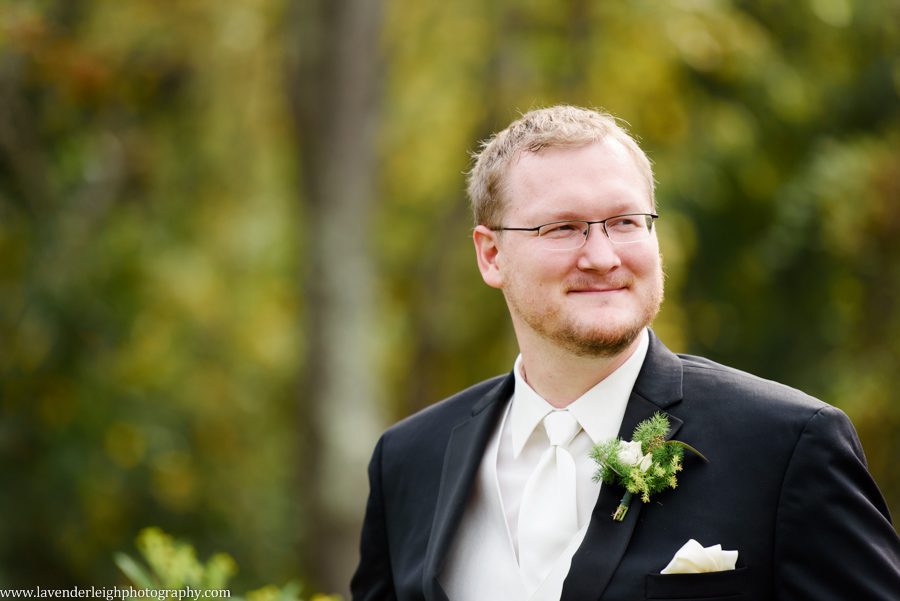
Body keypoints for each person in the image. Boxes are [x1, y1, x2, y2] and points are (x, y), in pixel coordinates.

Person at [349, 105, 900, 601]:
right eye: (562, 227)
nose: (602, 256)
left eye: (623, 222)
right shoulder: (408, 460)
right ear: (491, 255)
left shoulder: (787, 446)